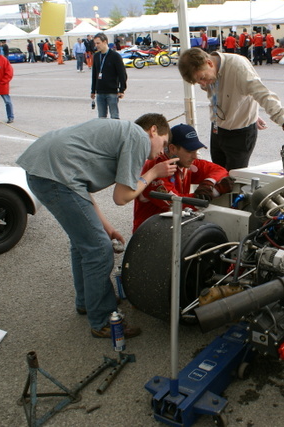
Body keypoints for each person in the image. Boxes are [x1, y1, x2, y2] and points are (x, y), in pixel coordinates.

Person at [16, 114, 178, 339]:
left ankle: (87, 301)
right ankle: (103, 319)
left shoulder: (121, 134)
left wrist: (107, 227)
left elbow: (82, 191)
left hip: (45, 170)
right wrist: (153, 173)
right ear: (153, 130)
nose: (162, 152)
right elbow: (121, 197)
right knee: (99, 250)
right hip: (54, 175)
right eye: (163, 142)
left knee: (84, 243)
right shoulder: (138, 137)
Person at [177, 48, 284, 170]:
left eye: (202, 78)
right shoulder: (207, 71)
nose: (203, 84)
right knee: (217, 174)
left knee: (234, 181)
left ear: (209, 63)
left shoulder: (238, 67)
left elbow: (263, 94)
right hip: (217, 129)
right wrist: (249, 110)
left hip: (239, 134)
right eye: (198, 83)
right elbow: (226, 97)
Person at [133, 123, 231, 232]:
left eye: (196, 150)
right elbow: (177, 204)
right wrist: (214, 192)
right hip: (149, 233)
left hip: (172, 227)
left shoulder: (184, 162)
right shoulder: (156, 168)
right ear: (172, 148)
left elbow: (221, 170)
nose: (195, 156)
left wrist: (208, 183)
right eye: (189, 151)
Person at [91, 32, 127, 119]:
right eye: (95, 43)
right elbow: (94, 74)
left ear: (105, 42)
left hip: (112, 92)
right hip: (100, 92)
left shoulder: (115, 56)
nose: (96, 45)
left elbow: (122, 74)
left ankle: (115, 132)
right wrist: (93, 90)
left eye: (98, 43)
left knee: (114, 116)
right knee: (101, 117)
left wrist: (122, 89)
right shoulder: (96, 56)